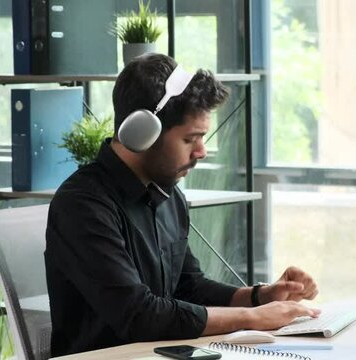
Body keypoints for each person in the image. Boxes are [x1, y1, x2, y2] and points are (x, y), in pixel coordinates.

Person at [44, 53, 320, 357]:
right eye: (192, 139)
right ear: (143, 133)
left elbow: (188, 287)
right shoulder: (82, 204)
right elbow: (138, 315)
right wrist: (252, 319)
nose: (201, 152)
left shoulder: (168, 195)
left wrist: (260, 296)